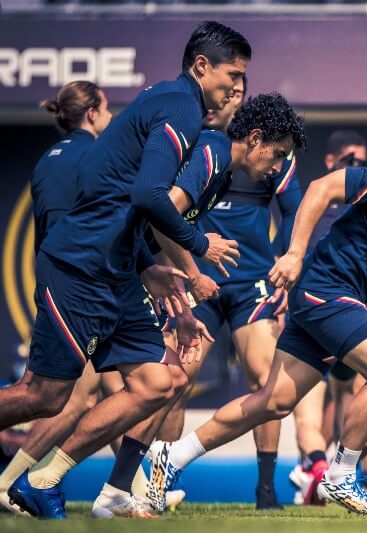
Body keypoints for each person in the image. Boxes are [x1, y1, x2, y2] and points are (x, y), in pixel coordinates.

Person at [149, 110, 367, 516]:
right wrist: (295, 253)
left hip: (335, 295)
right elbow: (320, 189)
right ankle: (341, 476)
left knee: (273, 401)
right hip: (326, 288)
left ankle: (170, 458)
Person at [5, 21, 251, 520]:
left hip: (115, 271)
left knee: (158, 383)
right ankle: (64, 485)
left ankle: (43, 480)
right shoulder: (181, 107)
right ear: (201, 67)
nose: (236, 87)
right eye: (233, 74)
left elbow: (118, 195)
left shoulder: (167, 103)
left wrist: (147, 268)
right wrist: (199, 244)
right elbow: (148, 196)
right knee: (46, 396)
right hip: (81, 268)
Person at [151, 91, 307, 511]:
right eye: (227, 87)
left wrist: (286, 260)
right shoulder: (198, 150)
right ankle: (158, 486)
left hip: (252, 284)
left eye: (239, 89)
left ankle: (267, 490)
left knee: (267, 381)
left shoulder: (275, 156)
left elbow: (294, 212)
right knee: (175, 382)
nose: (230, 97)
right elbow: (162, 211)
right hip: (195, 280)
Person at [0, 81, 112, 514]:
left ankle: (129, 487)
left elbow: (47, 233)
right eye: (106, 108)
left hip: (60, 281)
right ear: (92, 112)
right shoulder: (95, 155)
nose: (109, 116)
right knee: (46, 396)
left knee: (134, 383)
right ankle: (15, 481)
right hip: (79, 284)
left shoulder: (48, 159)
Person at [288, 129, 367, 505]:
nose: (356, 170)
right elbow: (285, 260)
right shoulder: (314, 207)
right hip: (314, 316)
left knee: (347, 400)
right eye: (350, 162)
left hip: (346, 315)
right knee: (299, 402)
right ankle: (319, 471)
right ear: (331, 163)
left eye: (361, 164)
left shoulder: (364, 215)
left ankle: (326, 472)